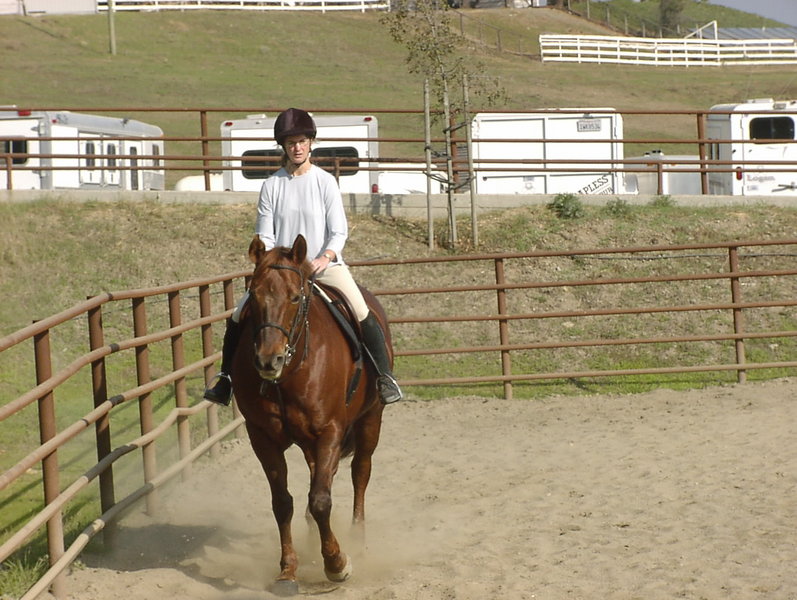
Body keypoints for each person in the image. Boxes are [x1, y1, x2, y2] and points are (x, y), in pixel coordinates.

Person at [203, 108, 402, 406]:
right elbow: (264, 234)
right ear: (283, 146)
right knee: (238, 314)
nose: (297, 147)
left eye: (302, 141)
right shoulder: (272, 185)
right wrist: (272, 263)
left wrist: (325, 257)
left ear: (310, 143)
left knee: (362, 311)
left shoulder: (325, 182)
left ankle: (385, 378)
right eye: (291, 143)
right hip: (283, 272)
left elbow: (339, 231)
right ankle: (226, 380)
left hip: (323, 267)